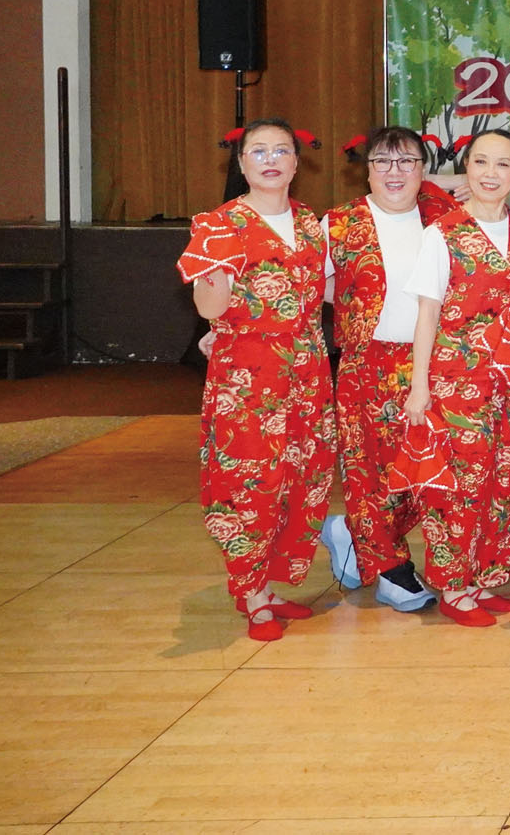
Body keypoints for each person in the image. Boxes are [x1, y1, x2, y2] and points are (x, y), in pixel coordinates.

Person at [176, 118, 334, 642]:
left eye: (281, 150)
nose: (270, 159)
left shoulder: (312, 223)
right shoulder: (217, 226)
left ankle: (268, 587)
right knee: (249, 482)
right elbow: (211, 308)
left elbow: (329, 293)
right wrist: (212, 281)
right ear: (241, 163)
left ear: (295, 161)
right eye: (258, 151)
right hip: (247, 378)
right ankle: (250, 594)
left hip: (308, 374)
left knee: (302, 478)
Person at [403, 129, 510, 627]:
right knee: (460, 486)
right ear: (466, 170)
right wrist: (420, 386)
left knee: (503, 482)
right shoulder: (443, 232)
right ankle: (453, 585)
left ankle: (486, 578)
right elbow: (427, 314)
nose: (490, 173)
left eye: (502, 164)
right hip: (458, 382)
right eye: (480, 162)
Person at [319, 127, 456, 614]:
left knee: (432, 471)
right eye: (382, 162)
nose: (394, 173)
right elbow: (312, 287)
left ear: (424, 168)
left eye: (406, 162)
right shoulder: (339, 224)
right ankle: (392, 571)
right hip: (368, 363)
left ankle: (354, 535)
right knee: (373, 472)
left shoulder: (445, 220)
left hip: (437, 363)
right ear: (368, 169)